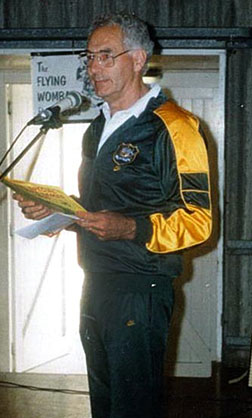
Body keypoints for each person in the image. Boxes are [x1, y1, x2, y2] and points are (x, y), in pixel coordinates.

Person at [14, 12, 212, 418]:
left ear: (138, 59)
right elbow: (99, 204)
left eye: (106, 56)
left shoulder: (175, 127)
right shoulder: (96, 126)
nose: (93, 68)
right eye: (89, 57)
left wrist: (131, 228)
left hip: (140, 288)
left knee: (134, 407)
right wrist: (59, 211)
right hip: (96, 280)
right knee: (105, 405)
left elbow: (198, 219)